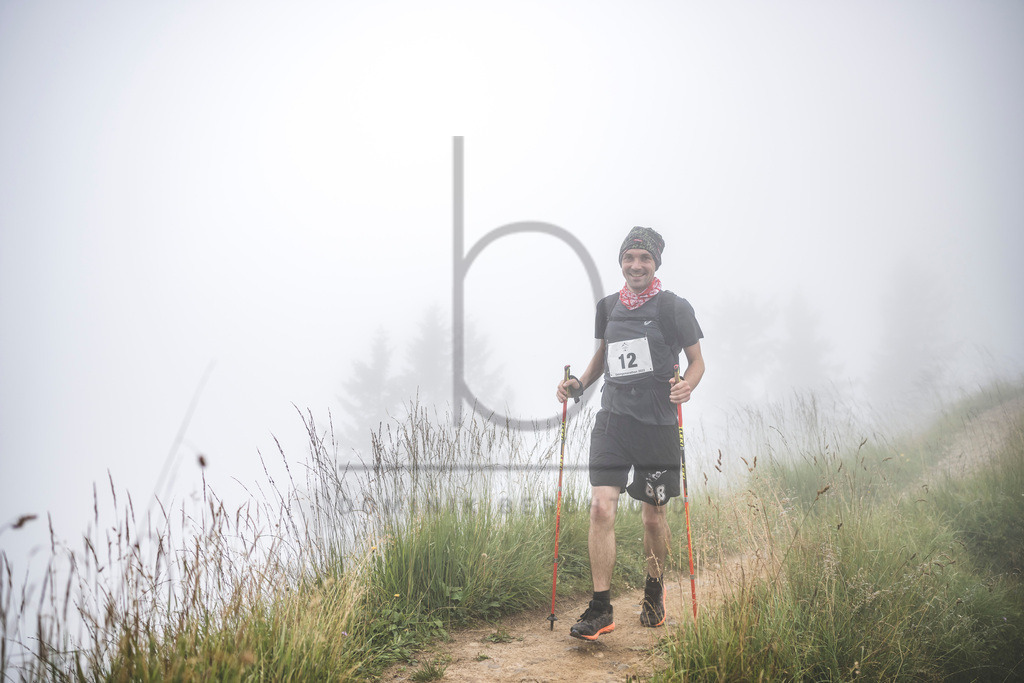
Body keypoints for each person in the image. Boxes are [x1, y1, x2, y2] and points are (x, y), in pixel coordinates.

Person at [555, 226, 704, 641]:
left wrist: (687, 385)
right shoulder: (607, 307)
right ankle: (600, 608)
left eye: (645, 259)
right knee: (601, 507)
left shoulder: (674, 307)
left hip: (658, 423)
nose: (636, 265)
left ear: (656, 264)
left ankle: (653, 594)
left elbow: (697, 362)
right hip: (614, 420)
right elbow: (603, 356)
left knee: (653, 513)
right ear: (621, 262)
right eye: (630, 258)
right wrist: (579, 385)